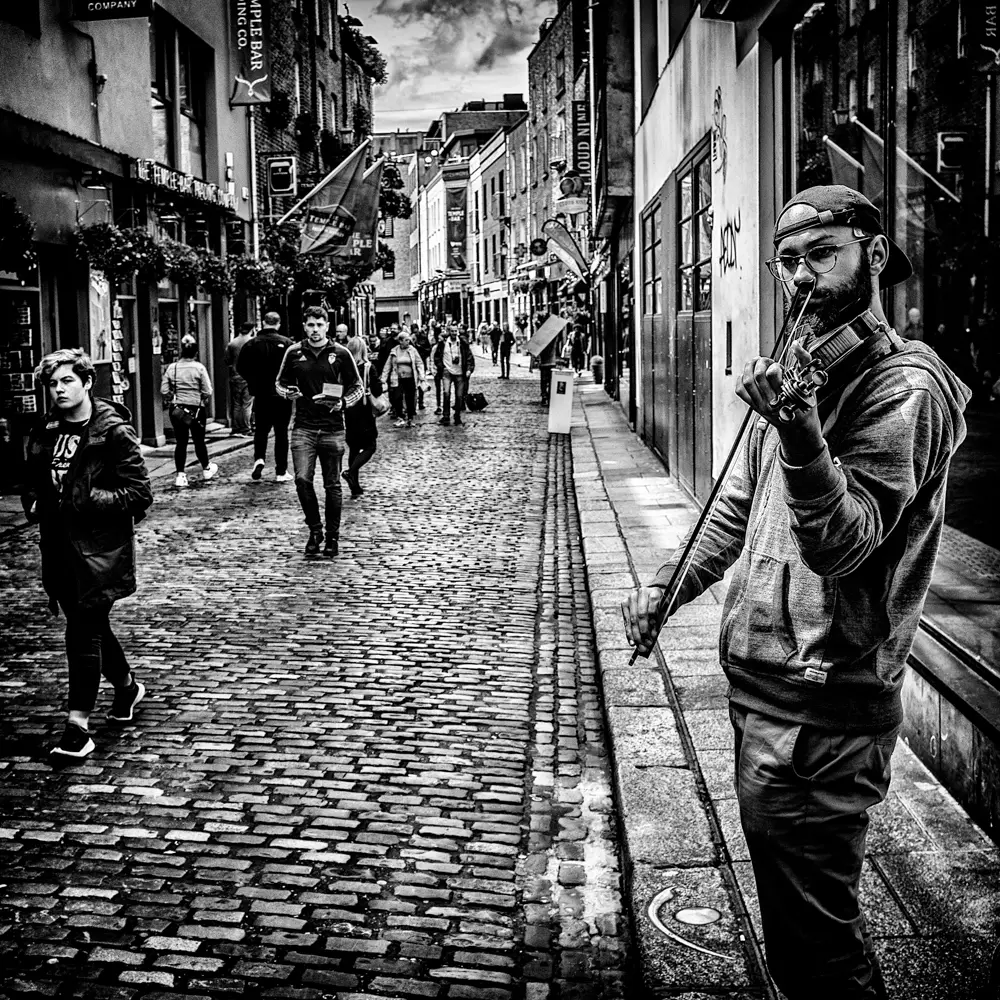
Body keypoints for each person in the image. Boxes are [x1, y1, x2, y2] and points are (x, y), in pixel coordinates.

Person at [621, 185, 969, 1000]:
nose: (802, 276)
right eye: (787, 260)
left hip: (826, 708)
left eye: (823, 254)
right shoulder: (801, 371)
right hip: (766, 697)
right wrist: (666, 589)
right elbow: (737, 510)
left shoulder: (906, 388)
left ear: (874, 257)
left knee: (819, 953)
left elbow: (844, 544)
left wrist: (806, 433)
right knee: (797, 938)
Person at [22, 349, 153, 761]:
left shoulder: (112, 433)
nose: (59, 390)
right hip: (58, 548)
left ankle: (78, 727)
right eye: (53, 384)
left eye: (67, 382)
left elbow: (139, 494)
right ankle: (128, 687)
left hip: (99, 552)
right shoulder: (46, 428)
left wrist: (88, 498)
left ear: (87, 382)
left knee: (82, 630)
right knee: (92, 626)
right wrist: (34, 500)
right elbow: (36, 478)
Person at [275, 305, 363, 558]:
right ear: (304, 326)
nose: (315, 330)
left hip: (333, 428)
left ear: (327, 326)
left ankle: (332, 537)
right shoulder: (294, 352)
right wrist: (287, 393)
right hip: (303, 427)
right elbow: (280, 383)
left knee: (332, 484)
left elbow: (357, 387)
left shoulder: (341, 353)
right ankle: (315, 530)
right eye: (311, 325)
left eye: (319, 325)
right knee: (302, 479)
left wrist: (343, 402)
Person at [237, 311, 293, 483]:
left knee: (261, 430)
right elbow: (294, 368)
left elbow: (240, 367)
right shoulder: (287, 343)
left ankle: (259, 458)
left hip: (261, 395)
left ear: (263, 323)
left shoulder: (251, 344)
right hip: (281, 395)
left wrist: (254, 382)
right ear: (278, 324)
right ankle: (281, 470)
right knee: (281, 433)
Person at [161, 335, 218, 488]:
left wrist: (173, 397)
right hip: (196, 408)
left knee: (181, 442)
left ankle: (180, 475)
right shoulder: (199, 368)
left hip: (178, 409)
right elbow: (208, 390)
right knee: (199, 440)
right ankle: (206, 469)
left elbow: (164, 389)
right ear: (195, 353)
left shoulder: (172, 368)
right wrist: (201, 399)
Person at [343, 335, 383, 498]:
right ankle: (351, 472)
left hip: (349, 409)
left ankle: (355, 486)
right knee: (370, 446)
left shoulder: (344, 367)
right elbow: (378, 390)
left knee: (353, 447)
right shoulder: (367, 367)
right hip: (364, 410)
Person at [433, 324, 475, 426]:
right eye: (452, 331)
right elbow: (437, 356)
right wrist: (441, 367)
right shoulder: (443, 343)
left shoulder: (463, 343)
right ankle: (446, 416)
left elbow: (469, 357)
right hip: (447, 372)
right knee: (446, 393)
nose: (454, 333)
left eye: (455, 331)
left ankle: (457, 416)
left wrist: (469, 369)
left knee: (459, 395)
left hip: (459, 372)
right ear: (449, 331)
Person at [386, 330, 426, 428]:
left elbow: (419, 362)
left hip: (410, 378)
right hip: (397, 378)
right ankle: (400, 417)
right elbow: (388, 365)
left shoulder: (412, 350)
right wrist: (383, 378)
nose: (408, 342)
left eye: (409, 340)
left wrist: (421, 375)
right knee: (397, 397)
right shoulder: (394, 351)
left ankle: (410, 418)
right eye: (406, 340)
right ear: (400, 341)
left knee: (410, 398)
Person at [225, 321, 255, 436]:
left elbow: (227, 360)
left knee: (236, 403)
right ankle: (246, 428)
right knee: (247, 404)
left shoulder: (232, 343)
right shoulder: (253, 342)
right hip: (249, 376)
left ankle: (236, 427)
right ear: (252, 329)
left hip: (235, 375)